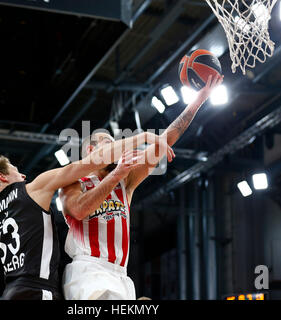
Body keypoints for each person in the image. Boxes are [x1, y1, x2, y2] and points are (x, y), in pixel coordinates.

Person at [0, 131, 173, 300]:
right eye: (17, 171)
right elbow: (91, 162)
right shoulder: (31, 188)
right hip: (39, 290)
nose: (23, 175)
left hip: (11, 292)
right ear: (2, 176)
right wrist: (142, 138)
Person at [60, 74, 223, 300]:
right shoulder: (72, 183)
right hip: (88, 270)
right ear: (90, 151)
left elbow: (167, 138)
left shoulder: (124, 182)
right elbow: (79, 210)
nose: (117, 150)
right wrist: (116, 173)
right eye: (110, 145)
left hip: (120, 274)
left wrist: (199, 100)